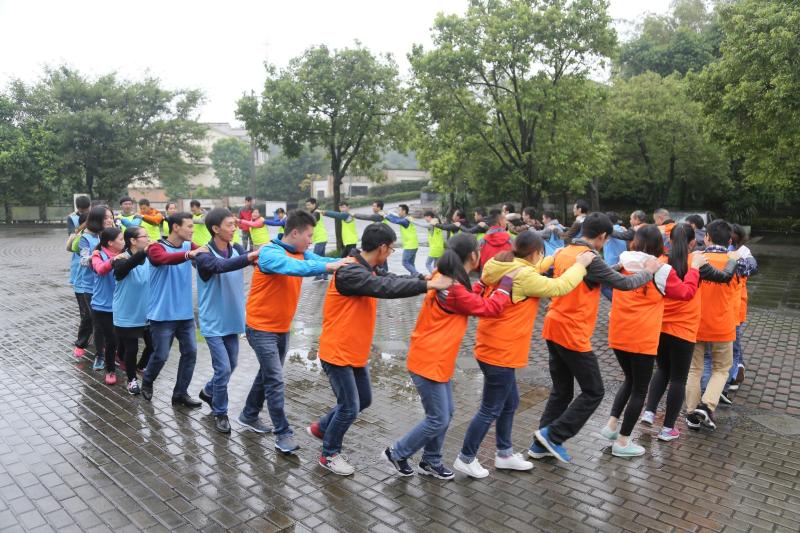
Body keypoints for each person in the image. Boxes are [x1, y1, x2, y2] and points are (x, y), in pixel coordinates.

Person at [308, 223, 451, 475]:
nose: (391, 253)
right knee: (349, 407)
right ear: (383, 248)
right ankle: (329, 454)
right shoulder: (350, 272)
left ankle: (322, 428)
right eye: (392, 249)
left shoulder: (367, 268)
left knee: (363, 400)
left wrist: (422, 278)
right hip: (337, 352)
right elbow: (384, 288)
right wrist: (428, 286)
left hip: (354, 352)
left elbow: (389, 279)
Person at [454, 232, 593, 478]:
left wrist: (553, 258)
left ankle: (504, 454)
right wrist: (580, 265)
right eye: (541, 254)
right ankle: (466, 457)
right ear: (535, 252)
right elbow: (558, 287)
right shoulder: (524, 276)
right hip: (500, 352)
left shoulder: (503, 264)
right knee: (490, 409)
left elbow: (531, 269)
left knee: (510, 403)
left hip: (492, 346)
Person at [531, 213, 661, 463]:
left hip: (553, 325)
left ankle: (540, 445)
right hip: (572, 331)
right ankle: (553, 435)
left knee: (562, 391)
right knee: (594, 391)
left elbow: (596, 275)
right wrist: (648, 270)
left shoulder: (565, 251)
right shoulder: (590, 257)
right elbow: (624, 284)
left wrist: (617, 266)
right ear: (602, 236)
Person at [385, 234, 512, 480]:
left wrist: (483, 283)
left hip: (435, 359)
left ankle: (431, 460)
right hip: (429, 360)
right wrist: (506, 283)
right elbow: (491, 308)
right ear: (473, 255)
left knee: (445, 413)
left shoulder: (446, 279)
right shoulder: (452, 289)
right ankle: (397, 453)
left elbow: (469, 299)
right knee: (438, 418)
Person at [240, 210, 348, 452]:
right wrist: (329, 266)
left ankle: (248, 414)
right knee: (275, 380)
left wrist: (349, 261)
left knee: (268, 374)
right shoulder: (270, 253)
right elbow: (294, 267)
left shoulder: (300, 252)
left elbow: (315, 259)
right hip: (260, 328)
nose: (311, 240)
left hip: (281, 327)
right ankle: (283, 433)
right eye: (309, 235)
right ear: (296, 233)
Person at [600, 225, 703, 457]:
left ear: (634, 242)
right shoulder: (661, 270)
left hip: (618, 333)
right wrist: (695, 268)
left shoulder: (622, 262)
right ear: (659, 245)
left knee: (629, 380)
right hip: (642, 337)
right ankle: (623, 443)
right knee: (639, 390)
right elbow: (686, 293)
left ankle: (612, 426)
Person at [640, 224, 737, 441]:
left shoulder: (660, 262)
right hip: (684, 329)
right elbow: (723, 277)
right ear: (694, 241)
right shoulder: (697, 261)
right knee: (678, 378)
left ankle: (649, 412)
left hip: (660, 326)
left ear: (670, 240)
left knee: (662, 370)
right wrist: (733, 259)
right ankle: (668, 429)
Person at [194, 208, 259, 433]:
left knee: (232, 365)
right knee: (222, 369)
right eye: (230, 225)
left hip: (232, 319)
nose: (234, 228)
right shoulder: (203, 254)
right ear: (215, 228)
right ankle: (220, 412)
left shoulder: (237, 249)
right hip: (213, 322)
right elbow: (218, 266)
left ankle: (208, 391)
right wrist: (249, 257)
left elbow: (250, 261)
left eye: (234, 224)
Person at [141, 212, 207, 405]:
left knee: (190, 353)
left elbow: (205, 255)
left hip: (185, 314)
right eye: (189, 226)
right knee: (161, 355)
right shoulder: (156, 247)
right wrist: (189, 255)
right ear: (176, 227)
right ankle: (147, 381)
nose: (192, 230)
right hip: (162, 315)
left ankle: (180, 394)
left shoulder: (188, 245)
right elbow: (164, 259)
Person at [685, 220, 741, 431]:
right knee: (721, 369)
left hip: (695, 323)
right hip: (723, 325)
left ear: (706, 237)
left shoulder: (694, 259)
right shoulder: (735, 262)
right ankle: (707, 406)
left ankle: (691, 414)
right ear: (729, 240)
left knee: (694, 369)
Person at [113, 226, 155, 395]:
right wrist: (144, 252)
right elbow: (124, 269)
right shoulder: (121, 259)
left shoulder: (150, 257)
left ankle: (140, 366)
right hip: (127, 312)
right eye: (145, 236)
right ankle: (131, 379)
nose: (149, 239)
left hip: (147, 312)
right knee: (131, 349)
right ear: (133, 241)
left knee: (153, 346)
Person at [75, 206, 115, 367]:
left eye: (111, 217)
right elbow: (83, 260)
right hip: (91, 286)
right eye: (106, 218)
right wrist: (96, 256)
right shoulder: (86, 238)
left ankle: (112, 351)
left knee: (112, 320)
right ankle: (97, 353)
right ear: (97, 219)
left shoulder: (114, 235)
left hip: (111, 284)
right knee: (94, 321)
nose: (109, 220)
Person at [91, 226, 126, 384]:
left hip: (122, 303)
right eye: (121, 239)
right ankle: (110, 370)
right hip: (102, 306)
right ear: (110, 242)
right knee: (111, 340)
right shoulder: (97, 255)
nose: (124, 242)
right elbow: (100, 269)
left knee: (123, 338)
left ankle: (122, 360)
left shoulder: (124, 254)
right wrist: (114, 260)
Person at [600, 212, 629, 301]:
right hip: (623, 263)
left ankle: (618, 303)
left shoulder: (608, 231)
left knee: (604, 287)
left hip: (612, 264)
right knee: (616, 287)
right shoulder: (622, 229)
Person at [386, 204, 420, 276]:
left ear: (404, 211)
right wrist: (388, 214)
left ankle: (417, 274)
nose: (398, 212)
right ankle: (415, 277)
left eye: (399, 210)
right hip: (414, 244)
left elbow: (395, 221)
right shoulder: (407, 218)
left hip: (410, 245)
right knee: (411, 263)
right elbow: (396, 218)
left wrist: (385, 216)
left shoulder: (406, 221)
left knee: (405, 263)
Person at [305, 198, 330, 281]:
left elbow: (312, 221)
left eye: (309, 205)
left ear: (314, 204)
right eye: (306, 205)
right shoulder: (313, 212)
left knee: (315, 257)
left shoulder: (316, 212)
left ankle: (319, 275)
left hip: (321, 238)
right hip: (321, 238)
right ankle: (325, 275)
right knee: (322, 258)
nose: (307, 206)